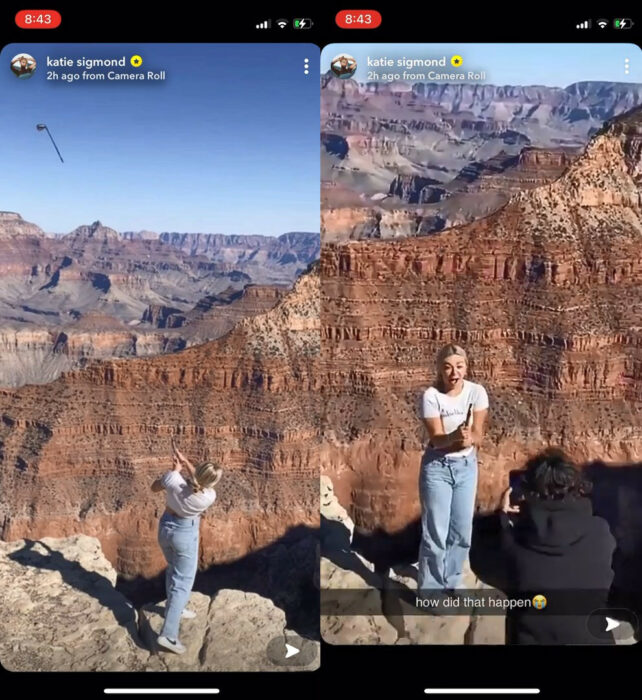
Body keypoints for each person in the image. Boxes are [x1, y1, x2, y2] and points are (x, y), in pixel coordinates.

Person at [472, 448, 617, 644]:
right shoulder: (600, 533)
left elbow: (480, 562)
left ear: (527, 493)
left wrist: (502, 520)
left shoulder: (512, 544)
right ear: (578, 489)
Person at [418, 344, 489, 597]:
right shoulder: (431, 396)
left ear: (466, 367)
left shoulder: (477, 393)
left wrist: (470, 439)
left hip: (466, 467)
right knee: (435, 533)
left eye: (459, 366)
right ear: (439, 369)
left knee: (461, 530)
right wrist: (454, 437)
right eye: (447, 367)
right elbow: (436, 439)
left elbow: (480, 433)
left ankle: (452, 580)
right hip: (438, 466)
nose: (454, 373)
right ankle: (430, 591)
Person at [150, 439, 222, 654]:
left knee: (173, 569)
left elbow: (155, 488)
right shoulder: (208, 496)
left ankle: (175, 608)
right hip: (185, 533)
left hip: (165, 529)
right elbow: (199, 481)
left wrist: (174, 470)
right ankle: (168, 635)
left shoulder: (173, 480)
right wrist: (187, 464)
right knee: (183, 581)